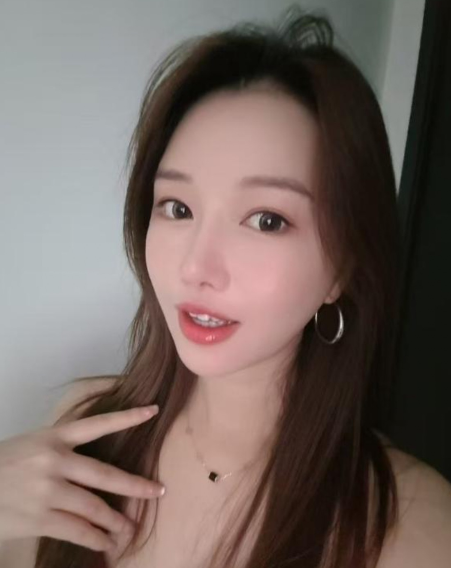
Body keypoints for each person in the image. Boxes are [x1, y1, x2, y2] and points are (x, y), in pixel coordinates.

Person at [1, 5, 451, 568]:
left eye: (267, 220)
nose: (196, 267)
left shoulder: (415, 525)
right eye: (177, 207)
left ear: (343, 266)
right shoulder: (83, 427)